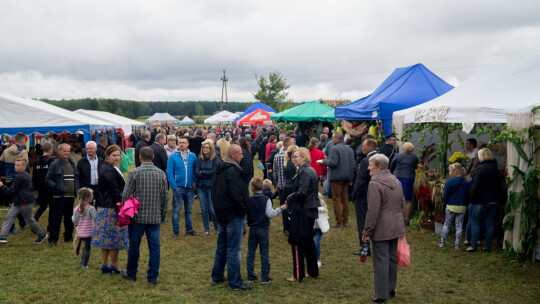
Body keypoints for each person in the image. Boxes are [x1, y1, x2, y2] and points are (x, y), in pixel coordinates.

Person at [362, 154, 407, 303]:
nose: (368, 167)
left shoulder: (375, 183)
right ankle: (390, 287)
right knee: (391, 259)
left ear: (379, 167)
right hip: (395, 224)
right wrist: (403, 222)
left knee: (381, 261)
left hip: (382, 227)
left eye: (370, 165)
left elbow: (372, 211)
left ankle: (382, 294)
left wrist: (367, 231)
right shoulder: (395, 180)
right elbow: (403, 204)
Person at [121, 146, 169, 284]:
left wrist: (126, 211)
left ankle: (132, 273)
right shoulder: (161, 174)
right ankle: (152, 276)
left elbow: (125, 194)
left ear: (140, 157)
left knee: (134, 245)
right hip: (154, 217)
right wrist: (161, 213)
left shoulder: (134, 173)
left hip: (137, 217)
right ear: (153, 157)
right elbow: (165, 197)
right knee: (154, 247)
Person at [211, 144, 252, 291]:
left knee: (222, 246)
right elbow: (237, 195)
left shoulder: (219, 169)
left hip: (222, 213)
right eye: (241, 154)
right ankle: (235, 282)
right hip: (232, 215)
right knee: (233, 249)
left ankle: (217, 275)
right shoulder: (231, 171)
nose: (242, 156)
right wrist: (242, 212)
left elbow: (214, 192)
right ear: (233, 155)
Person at [285, 147, 320, 282]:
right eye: (293, 157)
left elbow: (303, 192)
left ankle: (298, 273)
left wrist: (290, 196)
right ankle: (312, 271)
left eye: (296, 156)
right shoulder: (306, 170)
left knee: (297, 240)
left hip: (303, 210)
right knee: (307, 240)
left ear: (303, 158)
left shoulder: (306, 171)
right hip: (307, 209)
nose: (293, 159)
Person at [92, 145, 128, 274]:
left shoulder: (109, 167)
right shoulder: (108, 170)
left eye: (118, 155)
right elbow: (114, 191)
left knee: (105, 238)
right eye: (114, 155)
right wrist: (122, 207)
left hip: (105, 207)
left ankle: (104, 264)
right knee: (114, 238)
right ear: (107, 156)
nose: (117, 158)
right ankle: (114, 265)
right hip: (111, 208)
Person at [246, 177, 288, 284]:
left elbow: (245, 216)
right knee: (264, 253)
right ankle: (264, 277)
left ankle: (250, 275)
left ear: (252, 188)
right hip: (263, 229)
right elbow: (270, 214)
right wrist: (281, 209)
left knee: (251, 253)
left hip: (253, 229)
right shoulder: (266, 199)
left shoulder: (249, 200)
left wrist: (244, 228)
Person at [0, 158, 48, 244]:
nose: (16, 167)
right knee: (9, 217)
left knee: (30, 220)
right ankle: (2, 236)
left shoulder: (18, 177)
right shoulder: (26, 174)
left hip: (24, 202)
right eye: (15, 165)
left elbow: (11, 191)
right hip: (19, 201)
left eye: (18, 165)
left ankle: (41, 235)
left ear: (24, 167)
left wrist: (2, 186)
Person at [467, 148, 503, 253]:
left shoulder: (480, 168)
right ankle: (487, 247)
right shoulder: (496, 168)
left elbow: (476, 186)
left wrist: (471, 198)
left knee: (475, 222)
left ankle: (474, 245)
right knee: (489, 223)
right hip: (494, 199)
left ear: (481, 156)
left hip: (481, 200)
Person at [45, 143, 79, 247]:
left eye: (68, 151)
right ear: (59, 152)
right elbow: (47, 179)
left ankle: (68, 236)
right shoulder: (54, 164)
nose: (67, 153)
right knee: (56, 218)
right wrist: (57, 187)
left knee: (69, 218)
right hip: (59, 196)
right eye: (64, 151)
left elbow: (76, 178)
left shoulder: (72, 163)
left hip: (70, 196)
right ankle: (53, 239)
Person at [320, 131, 355, 227]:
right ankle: (345, 220)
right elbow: (353, 164)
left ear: (336, 138)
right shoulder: (349, 149)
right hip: (347, 176)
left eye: (332, 137)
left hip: (337, 177)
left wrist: (324, 162)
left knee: (336, 199)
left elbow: (333, 163)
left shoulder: (334, 148)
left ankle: (339, 221)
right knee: (345, 198)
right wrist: (351, 176)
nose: (331, 139)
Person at [167, 136, 199, 237]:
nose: (181, 144)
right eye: (180, 142)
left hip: (189, 188)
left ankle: (189, 229)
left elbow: (196, 170)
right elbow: (169, 172)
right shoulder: (173, 156)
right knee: (176, 210)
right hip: (178, 187)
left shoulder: (193, 156)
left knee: (189, 210)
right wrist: (174, 186)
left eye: (184, 142)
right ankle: (176, 231)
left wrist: (194, 182)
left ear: (187, 144)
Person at [351, 138, 378, 255]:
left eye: (364, 146)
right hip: (376, 195)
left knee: (363, 221)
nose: (362, 148)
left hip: (363, 196)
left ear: (371, 147)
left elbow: (361, 181)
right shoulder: (381, 158)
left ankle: (364, 247)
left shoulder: (365, 161)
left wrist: (354, 194)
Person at [0, 132, 29, 233]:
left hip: (8, 179)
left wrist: (7, 172)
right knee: (17, 203)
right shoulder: (24, 152)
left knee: (15, 202)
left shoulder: (5, 151)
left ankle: (22, 223)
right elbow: (27, 167)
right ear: (22, 141)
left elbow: (1, 166)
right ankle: (12, 227)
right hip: (20, 179)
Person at [440, 163, 470, 250]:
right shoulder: (466, 181)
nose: (449, 173)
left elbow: (445, 195)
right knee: (459, 226)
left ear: (455, 171)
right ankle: (457, 245)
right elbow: (468, 195)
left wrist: (445, 204)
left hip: (451, 206)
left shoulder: (449, 182)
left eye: (449, 171)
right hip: (462, 207)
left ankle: (442, 242)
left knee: (447, 224)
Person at [194, 140, 220, 236]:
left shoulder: (215, 159)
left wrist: (203, 172)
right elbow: (196, 172)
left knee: (212, 209)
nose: (205, 149)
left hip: (211, 186)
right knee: (204, 208)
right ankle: (206, 229)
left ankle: (217, 227)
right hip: (201, 186)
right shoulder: (199, 158)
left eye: (207, 147)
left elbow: (215, 172)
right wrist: (205, 173)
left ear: (211, 149)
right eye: (204, 147)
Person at [389, 142, 418, 222]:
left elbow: (392, 166)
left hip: (397, 177)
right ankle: (406, 219)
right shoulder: (415, 158)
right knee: (407, 200)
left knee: (395, 197)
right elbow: (415, 167)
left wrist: (392, 174)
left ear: (404, 148)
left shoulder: (398, 156)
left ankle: (394, 217)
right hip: (409, 179)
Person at [72, 187, 97, 269]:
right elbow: (96, 217)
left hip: (80, 232)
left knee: (84, 246)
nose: (93, 197)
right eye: (91, 195)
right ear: (87, 198)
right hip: (89, 231)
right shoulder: (91, 208)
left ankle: (82, 259)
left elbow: (74, 219)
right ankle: (84, 265)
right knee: (87, 248)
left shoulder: (76, 209)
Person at [33, 142, 55, 228]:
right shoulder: (51, 161)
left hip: (40, 187)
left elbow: (34, 176)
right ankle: (50, 227)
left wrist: (35, 188)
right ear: (50, 150)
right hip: (49, 187)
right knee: (52, 207)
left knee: (43, 206)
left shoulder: (36, 161)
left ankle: (35, 218)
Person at [314, 193, 329, 268]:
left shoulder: (321, 204)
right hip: (313, 227)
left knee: (316, 242)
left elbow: (324, 209)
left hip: (320, 228)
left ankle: (318, 259)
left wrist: (317, 208)